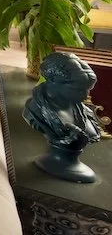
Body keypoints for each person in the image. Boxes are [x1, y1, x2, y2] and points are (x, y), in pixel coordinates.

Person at [23, 52, 103, 182]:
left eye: (87, 90)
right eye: (78, 89)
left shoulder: (85, 112)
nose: (84, 96)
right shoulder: (35, 111)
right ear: (53, 81)